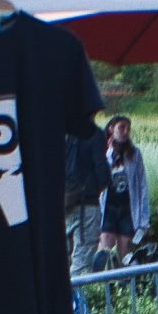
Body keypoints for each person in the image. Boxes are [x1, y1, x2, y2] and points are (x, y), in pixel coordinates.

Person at [94, 113, 154, 263]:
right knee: (105, 247)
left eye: (128, 129)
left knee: (125, 249)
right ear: (111, 129)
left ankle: (124, 275)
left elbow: (141, 185)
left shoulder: (134, 154)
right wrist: (110, 153)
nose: (126, 132)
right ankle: (103, 276)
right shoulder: (103, 151)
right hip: (108, 207)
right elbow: (99, 175)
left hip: (127, 207)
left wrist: (144, 218)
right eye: (121, 128)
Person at [63, 117, 108, 272]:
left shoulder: (61, 132)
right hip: (86, 204)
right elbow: (103, 174)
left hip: (64, 203)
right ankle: (78, 288)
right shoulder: (94, 133)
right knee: (82, 263)